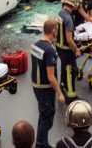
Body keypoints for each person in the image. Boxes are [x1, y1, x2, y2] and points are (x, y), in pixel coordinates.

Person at [31, 19, 66, 148]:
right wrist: (60, 93)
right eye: (57, 29)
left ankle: (42, 141)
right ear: (53, 30)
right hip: (45, 89)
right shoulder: (49, 50)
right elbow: (51, 77)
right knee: (47, 117)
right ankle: (41, 144)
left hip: (36, 86)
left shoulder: (36, 45)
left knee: (43, 114)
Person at [57, 0, 83, 104]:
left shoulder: (61, 13)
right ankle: (71, 96)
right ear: (75, 5)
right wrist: (76, 49)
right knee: (70, 71)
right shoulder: (68, 18)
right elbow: (69, 39)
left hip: (59, 46)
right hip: (66, 49)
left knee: (64, 68)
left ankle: (62, 87)